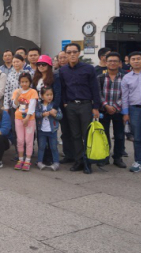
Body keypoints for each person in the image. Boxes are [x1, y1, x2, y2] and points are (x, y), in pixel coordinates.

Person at [59, 43, 101, 174]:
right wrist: (65, 102)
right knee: (75, 135)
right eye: (69, 52)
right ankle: (79, 161)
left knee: (87, 134)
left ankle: (88, 162)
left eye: (74, 52)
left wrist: (96, 107)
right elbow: (63, 88)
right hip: (71, 106)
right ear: (65, 54)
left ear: (79, 53)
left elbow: (95, 88)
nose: (72, 54)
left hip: (85, 105)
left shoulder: (89, 68)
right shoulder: (63, 70)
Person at [97, 52, 127, 168]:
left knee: (119, 135)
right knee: (104, 135)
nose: (112, 63)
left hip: (119, 111)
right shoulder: (100, 77)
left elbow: (126, 94)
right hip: (104, 110)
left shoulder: (124, 78)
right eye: (110, 61)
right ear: (106, 63)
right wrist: (106, 106)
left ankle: (117, 158)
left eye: (115, 61)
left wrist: (115, 106)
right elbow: (98, 93)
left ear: (120, 63)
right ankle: (105, 157)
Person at [32, 55, 62, 165]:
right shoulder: (36, 78)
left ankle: (51, 157)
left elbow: (58, 93)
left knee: (51, 132)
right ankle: (42, 156)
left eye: (43, 64)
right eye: (39, 64)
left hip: (50, 107)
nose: (41, 66)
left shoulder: (54, 77)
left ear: (49, 65)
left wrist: (55, 108)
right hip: (39, 107)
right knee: (41, 132)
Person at [11, 72, 38, 171]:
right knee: (20, 140)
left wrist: (27, 117)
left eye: (26, 81)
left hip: (29, 119)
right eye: (22, 82)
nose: (24, 84)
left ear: (30, 82)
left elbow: (32, 106)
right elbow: (14, 106)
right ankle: (20, 159)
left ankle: (28, 160)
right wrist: (17, 96)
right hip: (18, 118)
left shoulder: (33, 92)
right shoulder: (16, 91)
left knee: (29, 140)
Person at [121, 51, 141, 173]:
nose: (136, 61)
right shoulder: (126, 77)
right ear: (129, 61)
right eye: (133, 59)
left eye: (139, 58)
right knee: (137, 137)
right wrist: (125, 113)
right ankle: (138, 161)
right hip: (135, 109)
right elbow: (124, 97)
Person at [35, 87, 62, 171]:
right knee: (41, 146)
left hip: (52, 130)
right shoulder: (39, 105)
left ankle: (56, 162)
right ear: (42, 96)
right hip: (41, 130)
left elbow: (60, 116)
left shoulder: (54, 105)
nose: (50, 96)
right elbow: (36, 114)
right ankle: (39, 162)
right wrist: (42, 114)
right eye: (47, 95)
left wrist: (54, 115)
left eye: (51, 94)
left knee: (53, 147)